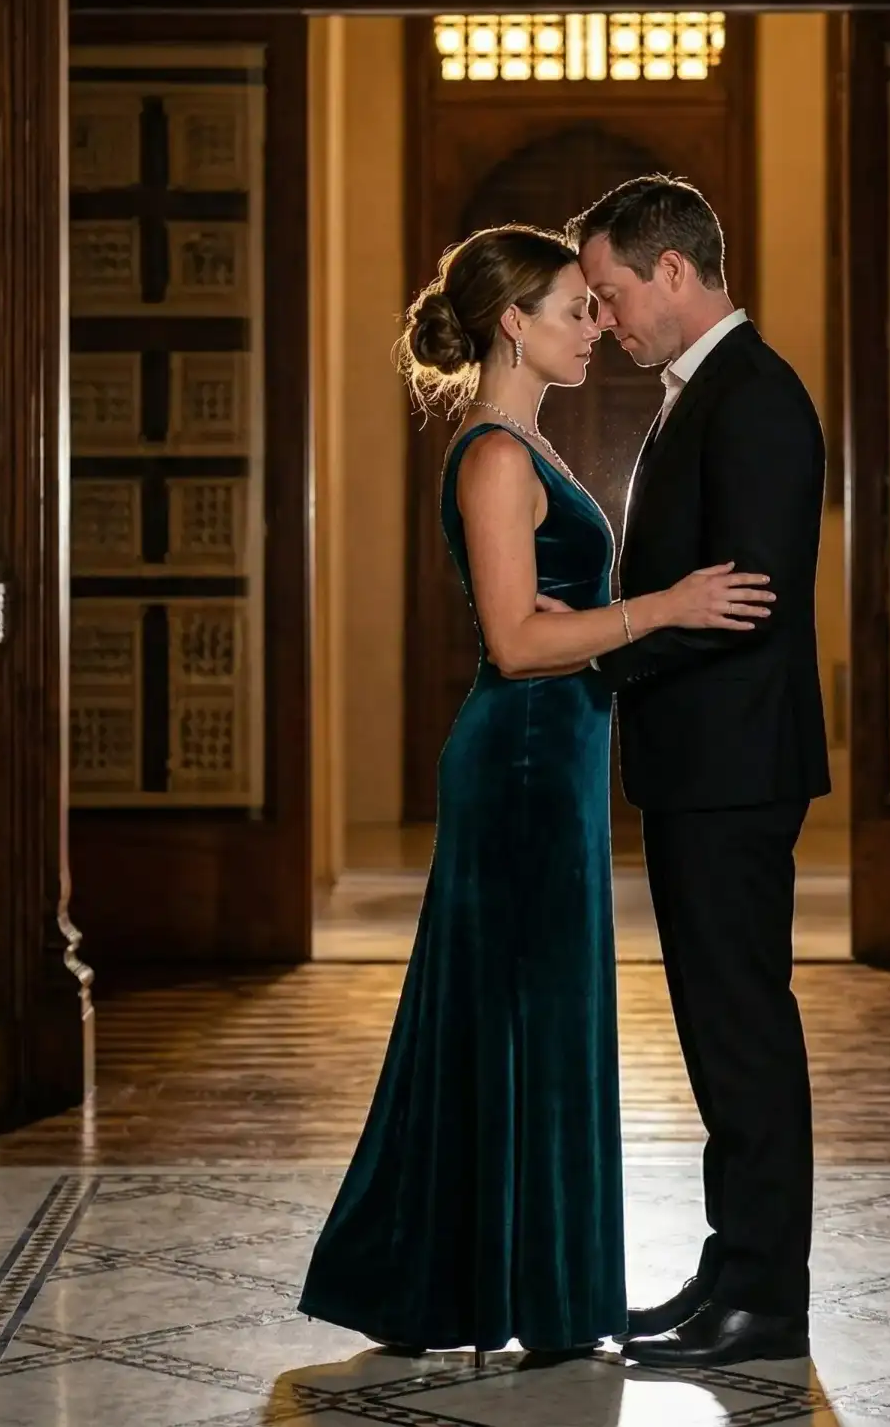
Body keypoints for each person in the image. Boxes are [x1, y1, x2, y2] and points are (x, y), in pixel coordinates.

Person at [298, 223, 773, 1359]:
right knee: (521, 1020)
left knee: (524, 1021)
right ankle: (522, 1290)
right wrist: (666, 608)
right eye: (575, 308)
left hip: (551, 758)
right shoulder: (499, 454)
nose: (596, 326)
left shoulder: (524, 441)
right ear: (514, 322)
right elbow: (516, 641)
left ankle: (501, 1285)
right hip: (519, 759)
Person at [572, 175, 830, 1370]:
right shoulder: (695, 395)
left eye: (616, 293)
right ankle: (729, 1271)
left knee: (743, 1033)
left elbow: (754, 602)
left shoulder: (756, 397)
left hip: (734, 767)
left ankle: (766, 1304)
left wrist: (602, 657)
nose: (610, 318)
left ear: (673, 272)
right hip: (698, 767)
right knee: (718, 1030)